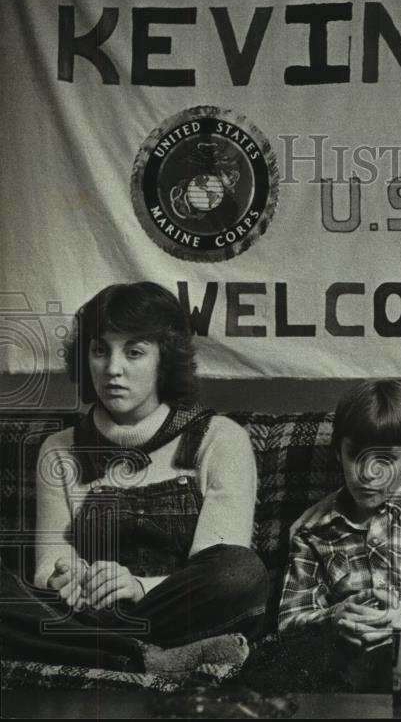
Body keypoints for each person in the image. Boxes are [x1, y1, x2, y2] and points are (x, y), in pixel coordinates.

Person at [0, 282, 267, 672]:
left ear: (165, 361)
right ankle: (146, 658)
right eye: (99, 350)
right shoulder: (59, 448)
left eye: (134, 352)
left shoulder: (220, 439)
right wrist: (68, 577)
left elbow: (219, 565)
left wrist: (138, 587)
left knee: (243, 572)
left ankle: (97, 648)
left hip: (175, 615)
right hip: (83, 608)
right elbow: (49, 563)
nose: (112, 369)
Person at [240, 380, 401, 693]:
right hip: (347, 654)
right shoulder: (313, 532)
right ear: (339, 453)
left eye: (386, 460)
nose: (368, 474)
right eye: (355, 455)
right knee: (268, 665)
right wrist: (335, 617)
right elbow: (290, 620)